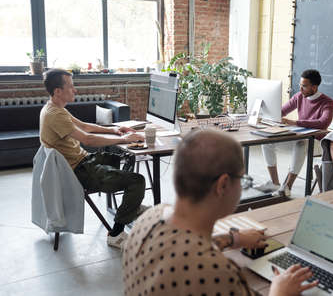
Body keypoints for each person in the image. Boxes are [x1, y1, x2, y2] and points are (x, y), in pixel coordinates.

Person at [123, 129, 318, 296]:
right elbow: (197, 261)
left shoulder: (149, 218)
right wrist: (279, 292)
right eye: (243, 179)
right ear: (223, 185)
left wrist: (231, 239)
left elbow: (184, 245)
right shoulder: (215, 271)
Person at [40, 68, 145, 248]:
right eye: (71, 86)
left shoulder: (55, 108)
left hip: (84, 161)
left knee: (124, 158)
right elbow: (87, 139)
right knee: (137, 181)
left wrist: (113, 129)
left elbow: (85, 127)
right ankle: (116, 233)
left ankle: (129, 207)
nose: (75, 90)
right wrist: (123, 139)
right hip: (79, 172)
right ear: (58, 91)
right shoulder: (54, 115)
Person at [255, 69, 333, 197]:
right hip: (299, 135)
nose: (300, 89)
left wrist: (295, 123)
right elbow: (281, 111)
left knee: (300, 143)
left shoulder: (327, 102)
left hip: (316, 141)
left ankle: (287, 187)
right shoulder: (299, 96)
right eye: (300, 85)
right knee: (267, 140)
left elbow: (323, 123)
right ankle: (275, 183)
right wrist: (266, 113)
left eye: (304, 86)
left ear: (314, 87)